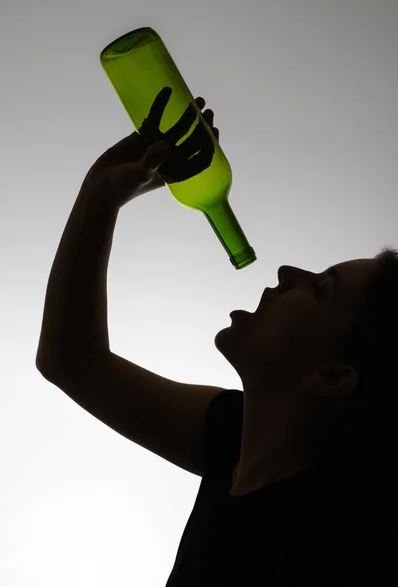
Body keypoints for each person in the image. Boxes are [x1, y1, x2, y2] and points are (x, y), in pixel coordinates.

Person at [37, 97, 396, 585]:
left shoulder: (339, 546)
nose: (290, 271)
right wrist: (100, 196)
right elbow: (72, 360)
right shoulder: (238, 436)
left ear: (331, 376)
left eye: (321, 288)